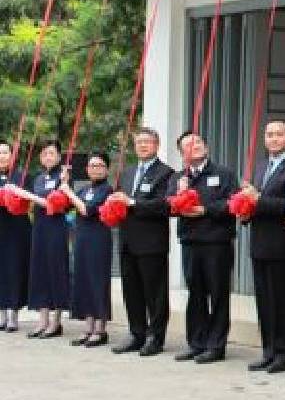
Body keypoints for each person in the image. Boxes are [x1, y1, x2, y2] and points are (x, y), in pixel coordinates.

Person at [242, 118, 285, 373]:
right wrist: (245, 209)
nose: (273, 139)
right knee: (264, 301)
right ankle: (268, 350)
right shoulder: (259, 166)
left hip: (282, 244)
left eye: (279, 134)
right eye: (269, 135)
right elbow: (255, 202)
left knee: (282, 301)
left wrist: (258, 200)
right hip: (259, 243)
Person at [173, 131, 238, 364]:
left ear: (206, 147)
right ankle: (196, 342)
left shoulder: (224, 174)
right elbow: (171, 207)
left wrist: (205, 210)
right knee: (196, 294)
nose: (195, 147)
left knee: (218, 294)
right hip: (190, 242)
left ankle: (216, 345)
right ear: (182, 154)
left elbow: (232, 203)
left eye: (198, 142)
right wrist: (180, 192)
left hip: (217, 242)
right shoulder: (180, 177)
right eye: (188, 145)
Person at [111, 127, 174, 357]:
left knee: (154, 292)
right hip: (128, 240)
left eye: (147, 142)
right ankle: (136, 333)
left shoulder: (166, 173)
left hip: (152, 242)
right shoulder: (126, 172)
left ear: (156, 145)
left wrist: (133, 203)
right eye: (138, 142)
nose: (142, 146)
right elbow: (120, 199)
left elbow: (164, 205)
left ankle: (155, 337)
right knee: (132, 290)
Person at [15, 139, 71, 339]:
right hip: (39, 229)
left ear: (59, 156)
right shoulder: (38, 178)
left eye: (52, 153)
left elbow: (55, 205)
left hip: (56, 228)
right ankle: (42, 320)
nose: (48, 157)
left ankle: (56, 323)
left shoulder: (63, 177)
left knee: (55, 270)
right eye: (45, 153)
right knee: (39, 272)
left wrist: (28, 196)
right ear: (41, 157)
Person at [64, 151, 113, 347]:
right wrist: (65, 184)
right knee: (83, 280)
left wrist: (67, 191)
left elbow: (86, 209)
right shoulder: (84, 190)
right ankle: (88, 327)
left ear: (106, 169)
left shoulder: (107, 190)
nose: (95, 169)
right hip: (81, 239)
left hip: (98, 240)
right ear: (86, 169)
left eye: (99, 165)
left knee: (97, 281)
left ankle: (100, 330)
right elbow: (68, 205)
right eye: (92, 165)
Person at [0, 139, 30, 332]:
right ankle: (1, 314)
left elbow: (29, 199)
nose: (1, 156)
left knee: (14, 268)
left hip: (17, 228)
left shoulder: (21, 176)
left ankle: (13, 314)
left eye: (5, 152)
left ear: (12, 156)